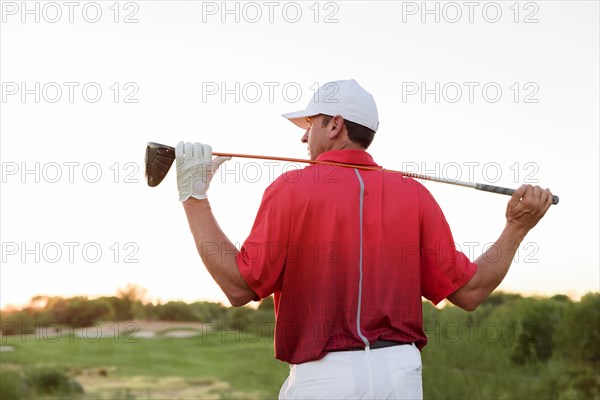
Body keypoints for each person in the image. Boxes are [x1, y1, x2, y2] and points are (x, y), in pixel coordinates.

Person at [175, 79, 553, 399]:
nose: (304, 137)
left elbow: (240, 288)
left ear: (335, 125)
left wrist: (194, 197)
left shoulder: (291, 188)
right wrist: (516, 228)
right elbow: (470, 293)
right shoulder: (414, 194)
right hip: (402, 377)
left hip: (324, 379)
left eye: (310, 125)